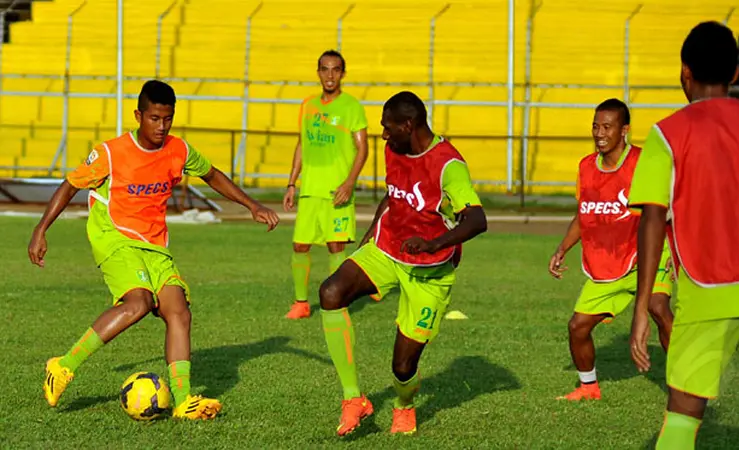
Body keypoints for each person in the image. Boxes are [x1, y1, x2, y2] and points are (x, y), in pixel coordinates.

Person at [30, 80, 280, 420]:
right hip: (114, 236)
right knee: (139, 302)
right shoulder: (110, 153)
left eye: (167, 119)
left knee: (178, 310)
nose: (161, 127)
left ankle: (182, 400)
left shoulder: (178, 149)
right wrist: (41, 230)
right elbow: (70, 185)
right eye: (154, 118)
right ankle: (63, 366)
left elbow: (213, 174)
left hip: (155, 243)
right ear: (139, 115)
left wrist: (252, 205)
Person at [628, 21, 739, 449]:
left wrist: (641, 305)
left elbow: (652, 219)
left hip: (706, 294)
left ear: (684, 72)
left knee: (683, 416)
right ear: (736, 73)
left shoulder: (667, 134)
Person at [317, 91, 487, 436]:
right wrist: (368, 238)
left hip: (431, 270)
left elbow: (477, 220)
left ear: (409, 125)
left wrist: (432, 243)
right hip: (386, 250)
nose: (383, 134)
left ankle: (404, 405)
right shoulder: (395, 148)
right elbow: (394, 194)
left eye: (388, 127)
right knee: (331, 292)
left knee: (403, 365)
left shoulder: (449, 165)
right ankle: (354, 399)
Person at [549, 99, 674, 401]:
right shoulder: (585, 168)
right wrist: (562, 248)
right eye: (595, 126)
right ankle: (588, 387)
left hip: (650, 254)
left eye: (607, 127)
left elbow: (662, 213)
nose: (599, 133)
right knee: (578, 326)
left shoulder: (644, 164)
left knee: (658, 308)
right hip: (609, 261)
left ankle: (687, 385)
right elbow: (585, 214)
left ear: (625, 130)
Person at [283, 49, 369, 320]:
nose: (330, 74)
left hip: (336, 191)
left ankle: (337, 301)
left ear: (343, 73)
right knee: (300, 245)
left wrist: (349, 183)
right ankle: (300, 304)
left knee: (336, 246)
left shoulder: (352, 107)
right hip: (310, 190)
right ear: (318, 72)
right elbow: (302, 145)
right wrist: (291, 183)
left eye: (335, 69)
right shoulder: (308, 105)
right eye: (325, 69)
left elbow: (363, 148)